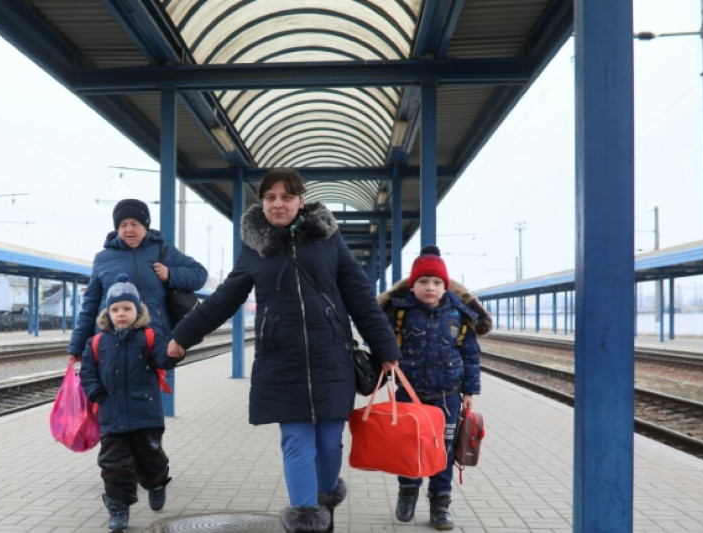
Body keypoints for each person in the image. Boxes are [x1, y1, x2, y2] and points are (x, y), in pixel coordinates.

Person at [167, 168, 401, 533]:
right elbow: (223, 300)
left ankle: (325, 502)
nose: (278, 203)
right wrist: (182, 335)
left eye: (286, 197)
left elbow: (359, 296)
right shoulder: (254, 248)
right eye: (271, 197)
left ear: (300, 201)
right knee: (296, 440)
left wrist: (385, 347)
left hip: (331, 358)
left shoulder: (328, 240)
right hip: (282, 361)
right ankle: (307, 518)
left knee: (329, 442)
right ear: (262, 202)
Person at [376, 244, 492, 531]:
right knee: (409, 447)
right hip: (409, 394)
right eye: (423, 282)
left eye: (437, 282)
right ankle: (408, 493)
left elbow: (471, 355)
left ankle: (440, 504)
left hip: (448, 396)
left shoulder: (458, 315)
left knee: (444, 450)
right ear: (412, 285)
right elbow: (380, 340)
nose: (430, 287)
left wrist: (469, 392)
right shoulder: (401, 313)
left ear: (446, 286)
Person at [75, 273, 184, 532]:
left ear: (138, 310)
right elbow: (87, 373)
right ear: (108, 313)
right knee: (114, 465)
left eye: (127, 308)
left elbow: (163, 359)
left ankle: (156, 484)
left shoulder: (149, 336)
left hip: (145, 414)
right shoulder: (96, 342)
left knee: (151, 458)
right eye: (115, 309)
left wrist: (173, 353)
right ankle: (118, 508)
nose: (121, 313)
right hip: (111, 416)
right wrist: (96, 393)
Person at [67, 198, 208, 358]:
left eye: (134, 224)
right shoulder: (103, 259)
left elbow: (200, 274)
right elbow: (89, 307)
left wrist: (170, 274)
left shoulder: (163, 252)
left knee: (156, 384)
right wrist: (76, 346)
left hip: (154, 344)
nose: (129, 230)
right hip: (110, 345)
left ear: (145, 226)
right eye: (123, 225)